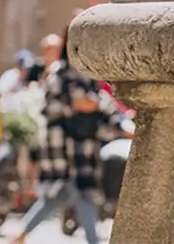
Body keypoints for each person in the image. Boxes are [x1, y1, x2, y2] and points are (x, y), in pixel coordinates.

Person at [9, 27, 103, 244]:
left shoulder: (82, 72)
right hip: (65, 147)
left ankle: (20, 236)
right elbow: (81, 103)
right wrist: (93, 104)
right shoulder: (62, 72)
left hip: (80, 144)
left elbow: (91, 103)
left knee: (58, 197)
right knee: (82, 192)